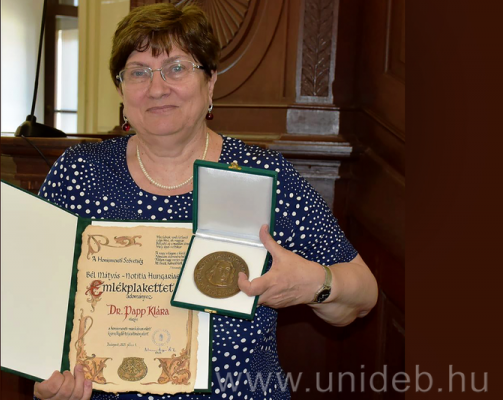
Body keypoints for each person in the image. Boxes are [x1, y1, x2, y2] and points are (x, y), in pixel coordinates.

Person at [34, 3, 378, 400]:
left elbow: (364, 294)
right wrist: (47, 381)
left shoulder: (261, 175)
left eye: (177, 68)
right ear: (121, 89)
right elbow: (33, 300)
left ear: (210, 81)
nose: (157, 88)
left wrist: (315, 284)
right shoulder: (79, 173)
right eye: (139, 72)